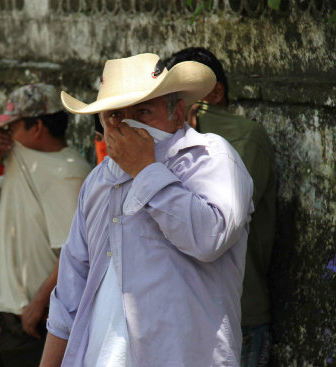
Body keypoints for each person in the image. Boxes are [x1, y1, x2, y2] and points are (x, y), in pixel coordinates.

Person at [40, 53, 254, 366]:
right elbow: (69, 296)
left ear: (177, 112)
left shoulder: (212, 159)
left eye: (143, 111)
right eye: (114, 114)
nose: (127, 124)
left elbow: (209, 238)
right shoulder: (97, 182)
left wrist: (144, 167)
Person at [0, 83, 92, 367]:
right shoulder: (19, 159)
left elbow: (75, 251)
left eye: (12, 127)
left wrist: (37, 304)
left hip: (38, 317)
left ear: (37, 128)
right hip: (2, 312)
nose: (3, 135)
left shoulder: (69, 173)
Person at [165, 47, 276, 367]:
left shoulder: (241, 137)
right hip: (204, 307)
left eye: (184, 95)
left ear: (215, 92)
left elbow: (217, 227)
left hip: (235, 310)